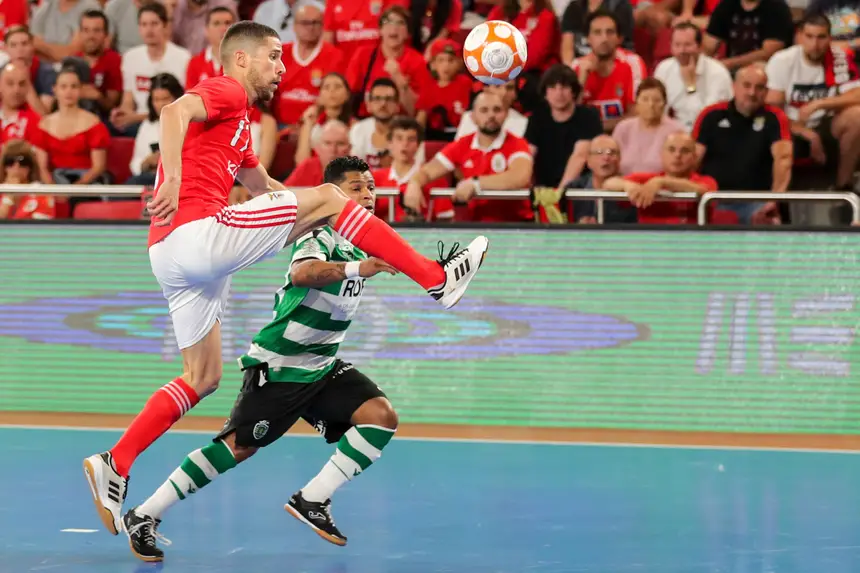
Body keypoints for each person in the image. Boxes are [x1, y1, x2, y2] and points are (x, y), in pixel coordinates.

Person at [82, 21, 490, 540]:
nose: (283, 67)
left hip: (170, 255)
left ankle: (115, 462)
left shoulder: (240, 129)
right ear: (242, 60)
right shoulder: (226, 90)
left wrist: (321, 211)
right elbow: (172, 111)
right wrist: (179, 178)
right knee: (328, 197)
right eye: (274, 57)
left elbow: (265, 187)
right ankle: (435, 280)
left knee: (201, 376)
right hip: (195, 233)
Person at [123, 157, 398, 561]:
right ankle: (145, 514)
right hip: (281, 365)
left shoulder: (361, 240)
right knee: (236, 448)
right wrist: (359, 268)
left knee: (381, 416)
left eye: (371, 187)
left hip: (321, 365)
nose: (368, 195)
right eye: (357, 188)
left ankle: (313, 500)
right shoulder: (319, 233)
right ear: (336, 195)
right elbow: (305, 273)